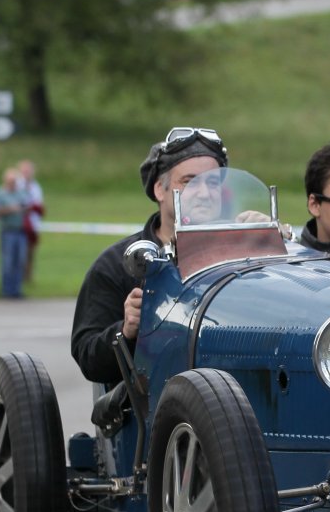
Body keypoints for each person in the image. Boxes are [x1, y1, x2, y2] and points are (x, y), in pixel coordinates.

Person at [71, 127, 228, 384]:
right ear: (159, 190)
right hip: (151, 401)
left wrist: (268, 241)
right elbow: (87, 355)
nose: (204, 192)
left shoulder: (245, 255)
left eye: (213, 183)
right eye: (189, 182)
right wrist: (126, 331)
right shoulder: (115, 265)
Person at [0, 167, 29, 299]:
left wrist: (23, 208)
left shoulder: (21, 193)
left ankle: (16, 290)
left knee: (19, 261)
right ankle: (6, 290)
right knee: (8, 262)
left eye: (14, 181)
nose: (12, 184)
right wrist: (11, 209)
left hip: (20, 231)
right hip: (7, 231)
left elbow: (27, 205)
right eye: (10, 181)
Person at [17, 159, 45, 284]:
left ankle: (28, 277)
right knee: (19, 253)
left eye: (28, 171)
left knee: (30, 253)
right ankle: (18, 277)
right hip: (19, 224)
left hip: (32, 225)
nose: (27, 173)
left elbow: (39, 205)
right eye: (24, 171)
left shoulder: (36, 187)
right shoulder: (17, 185)